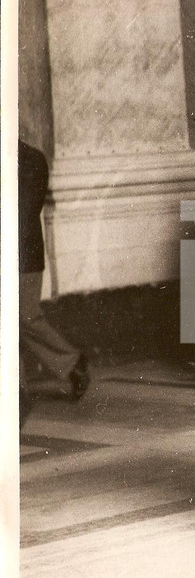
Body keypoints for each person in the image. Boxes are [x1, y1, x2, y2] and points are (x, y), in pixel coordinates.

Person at [19, 139, 89, 423]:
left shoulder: (31, 160)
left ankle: (72, 362)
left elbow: (24, 212)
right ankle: (17, 392)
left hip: (22, 253)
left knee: (26, 316)